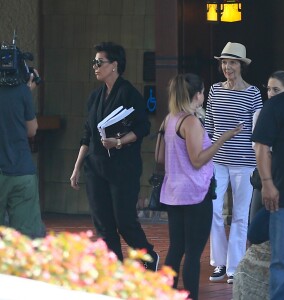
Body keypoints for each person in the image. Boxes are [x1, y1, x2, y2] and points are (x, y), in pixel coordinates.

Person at [70, 42, 159, 270]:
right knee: (102, 223)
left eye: (100, 62)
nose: (95, 67)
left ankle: (148, 255)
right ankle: (114, 268)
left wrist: (118, 141)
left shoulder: (129, 93)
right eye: (94, 62)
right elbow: (86, 134)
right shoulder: (94, 97)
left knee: (124, 221)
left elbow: (142, 128)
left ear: (115, 65)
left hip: (123, 167)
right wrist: (77, 167)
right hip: (96, 166)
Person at [156, 73, 242, 300]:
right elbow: (197, 159)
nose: (204, 95)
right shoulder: (190, 121)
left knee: (176, 249)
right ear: (196, 96)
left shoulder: (170, 119)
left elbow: (159, 157)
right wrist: (222, 139)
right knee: (193, 254)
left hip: (174, 193)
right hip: (195, 193)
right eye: (202, 92)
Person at [205, 42, 263, 284]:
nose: (227, 67)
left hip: (244, 162)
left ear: (241, 66)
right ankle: (219, 263)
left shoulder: (253, 93)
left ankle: (234, 266)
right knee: (214, 212)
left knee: (240, 215)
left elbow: (257, 129)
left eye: (232, 62)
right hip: (217, 160)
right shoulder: (214, 90)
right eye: (224, 62)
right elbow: (208, 125)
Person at [0, 65, 45, 239]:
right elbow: (32, 130)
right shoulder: (22, 92)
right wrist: (26, 92)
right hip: (21, 170)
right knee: (27, 237)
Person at [249, 71, 284, 224]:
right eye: (269, 89)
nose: (270, 94)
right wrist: (267, 182)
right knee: (255, 226)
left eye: (276, 90)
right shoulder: (261, 113)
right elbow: (259, 147)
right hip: (266, 175)